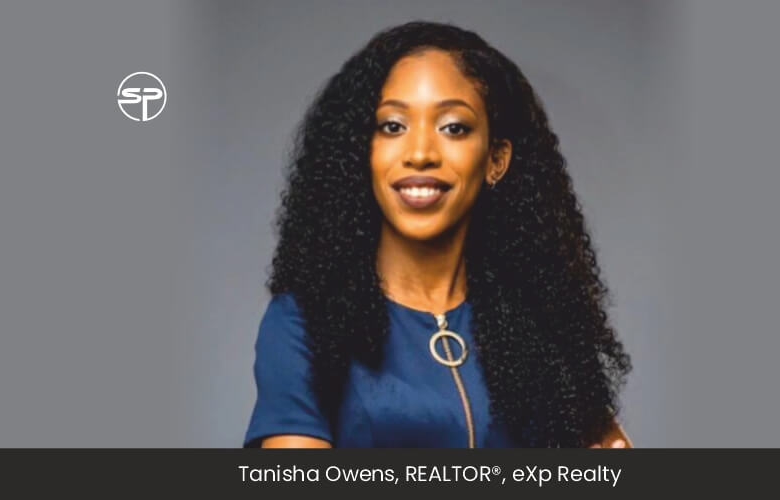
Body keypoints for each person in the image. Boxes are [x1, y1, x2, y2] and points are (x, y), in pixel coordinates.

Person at [243, 21, 633, 448]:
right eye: (393, 126)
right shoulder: (303, 324)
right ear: (360, 151)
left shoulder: (539, 321)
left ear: (496, 160)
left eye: (454, 128)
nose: (420, 154)